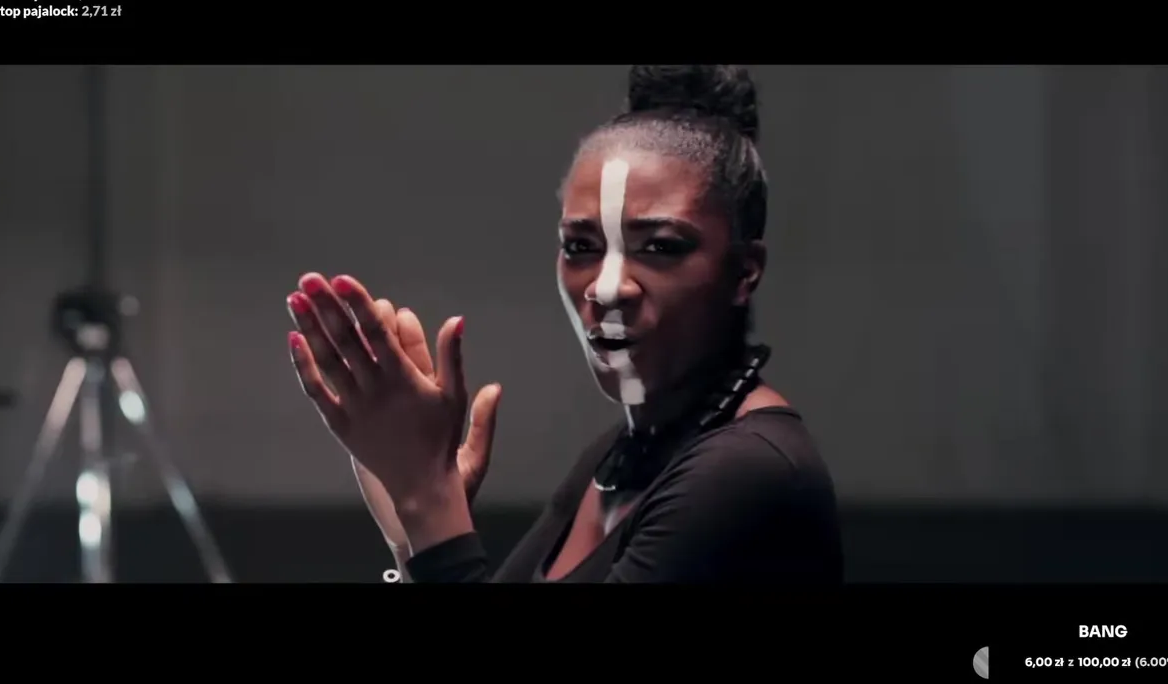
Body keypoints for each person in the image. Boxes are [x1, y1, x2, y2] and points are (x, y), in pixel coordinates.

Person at [284, 65, 843, 583]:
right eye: (581, 247)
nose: (607, 287)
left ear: (744, 272)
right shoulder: (619, 453)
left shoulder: (750, 472)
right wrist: (412, 534)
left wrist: (429, 502)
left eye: (660, 246)